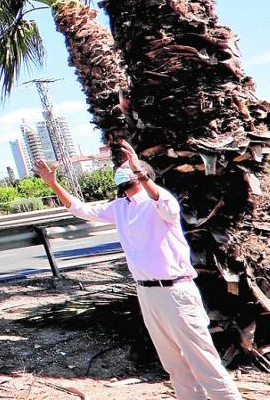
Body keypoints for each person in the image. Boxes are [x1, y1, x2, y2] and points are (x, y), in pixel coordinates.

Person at [34, 142, 242, 399]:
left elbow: (166, 205)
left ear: (141, 174)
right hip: (147, 293)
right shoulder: (121, 207)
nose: (121, 171)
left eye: (127, 168)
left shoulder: (160, 201)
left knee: (202, 359)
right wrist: (53, 184)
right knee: (174, 365)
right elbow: (80, 209)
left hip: (176, 291)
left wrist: (139, 171)